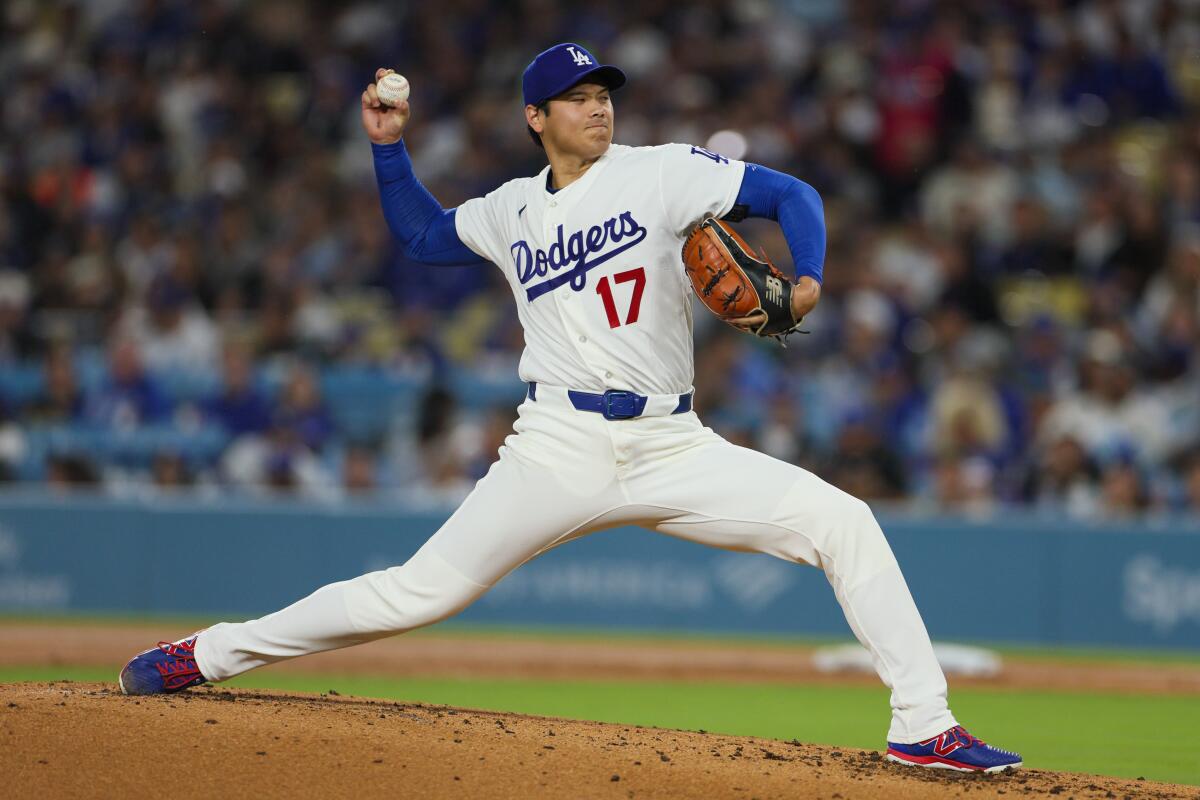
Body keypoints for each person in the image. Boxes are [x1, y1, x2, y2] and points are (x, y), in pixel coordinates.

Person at [119, 43, 1020, 773]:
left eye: (603, 92)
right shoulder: (512, 209)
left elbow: (793, 195)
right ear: (535, 117)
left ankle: (923, 725)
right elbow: (423, 235)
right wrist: (388, 144)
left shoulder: (662, 172)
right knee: (415, 594)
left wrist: (812, 276)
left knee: (844, 520)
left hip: (672, 440)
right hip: (557, 441)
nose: (598, 106)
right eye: (576, 95)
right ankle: (204, 655)